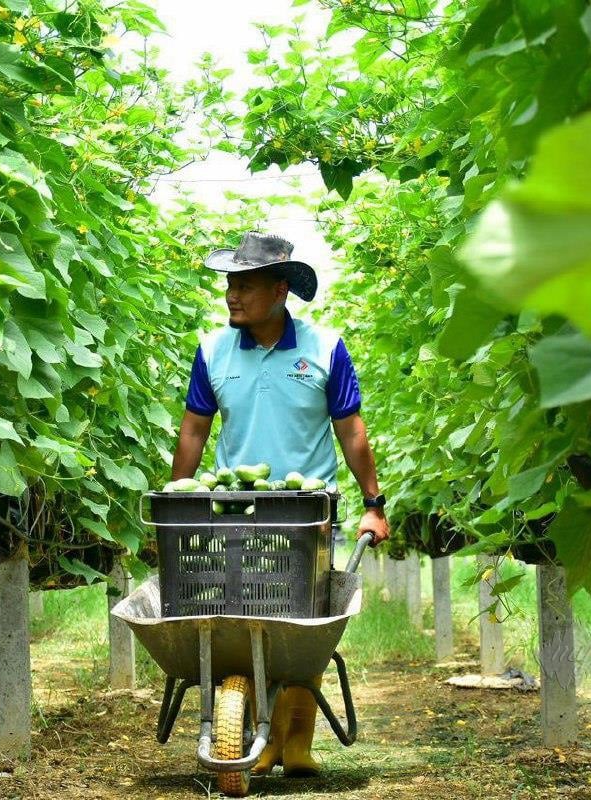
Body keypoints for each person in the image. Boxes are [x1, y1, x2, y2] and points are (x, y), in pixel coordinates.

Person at [170, 230, 390, 777]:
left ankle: (295, 743)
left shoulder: (324, 348)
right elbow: (195, 430)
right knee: (242, 617)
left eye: (245, 284)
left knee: (299, 625)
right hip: (232, 513)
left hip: (305, 515)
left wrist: (374, 503)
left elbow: (351, 432)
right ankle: (254, 733)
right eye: (229, 283)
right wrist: (180, 500)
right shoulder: (212, 350)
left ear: (280, 290)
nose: (231, 295)